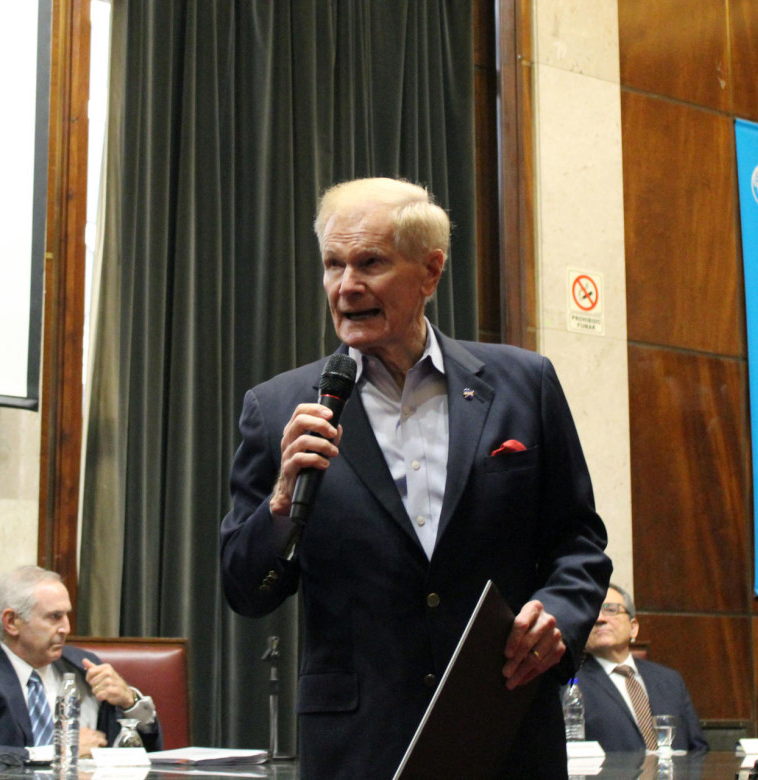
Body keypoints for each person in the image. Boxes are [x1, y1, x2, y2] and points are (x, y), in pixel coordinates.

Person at [220, 177, 612, 778]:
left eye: (370, 263)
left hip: (506, 730)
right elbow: (247, 591)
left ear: (430, 272)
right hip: (359, 747)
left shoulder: (523, 386)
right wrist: (278, 503)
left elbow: (578, 543)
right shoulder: (277, 409)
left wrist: (559, 611)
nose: (346, 287)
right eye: (333, 265)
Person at [0, 565, 161, 762]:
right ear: (12, 622)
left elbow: (147, 754)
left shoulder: (84, 668)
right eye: (54, 617)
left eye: (66, 616)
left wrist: (130, 703)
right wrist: (60, 752)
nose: (67, 628)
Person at [578, 583, 708, 752]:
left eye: (610, 609)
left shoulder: (670, 680)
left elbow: (698, 750)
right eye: (591, 612)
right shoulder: (569, 685)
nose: (600, 619)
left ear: (633, 628)